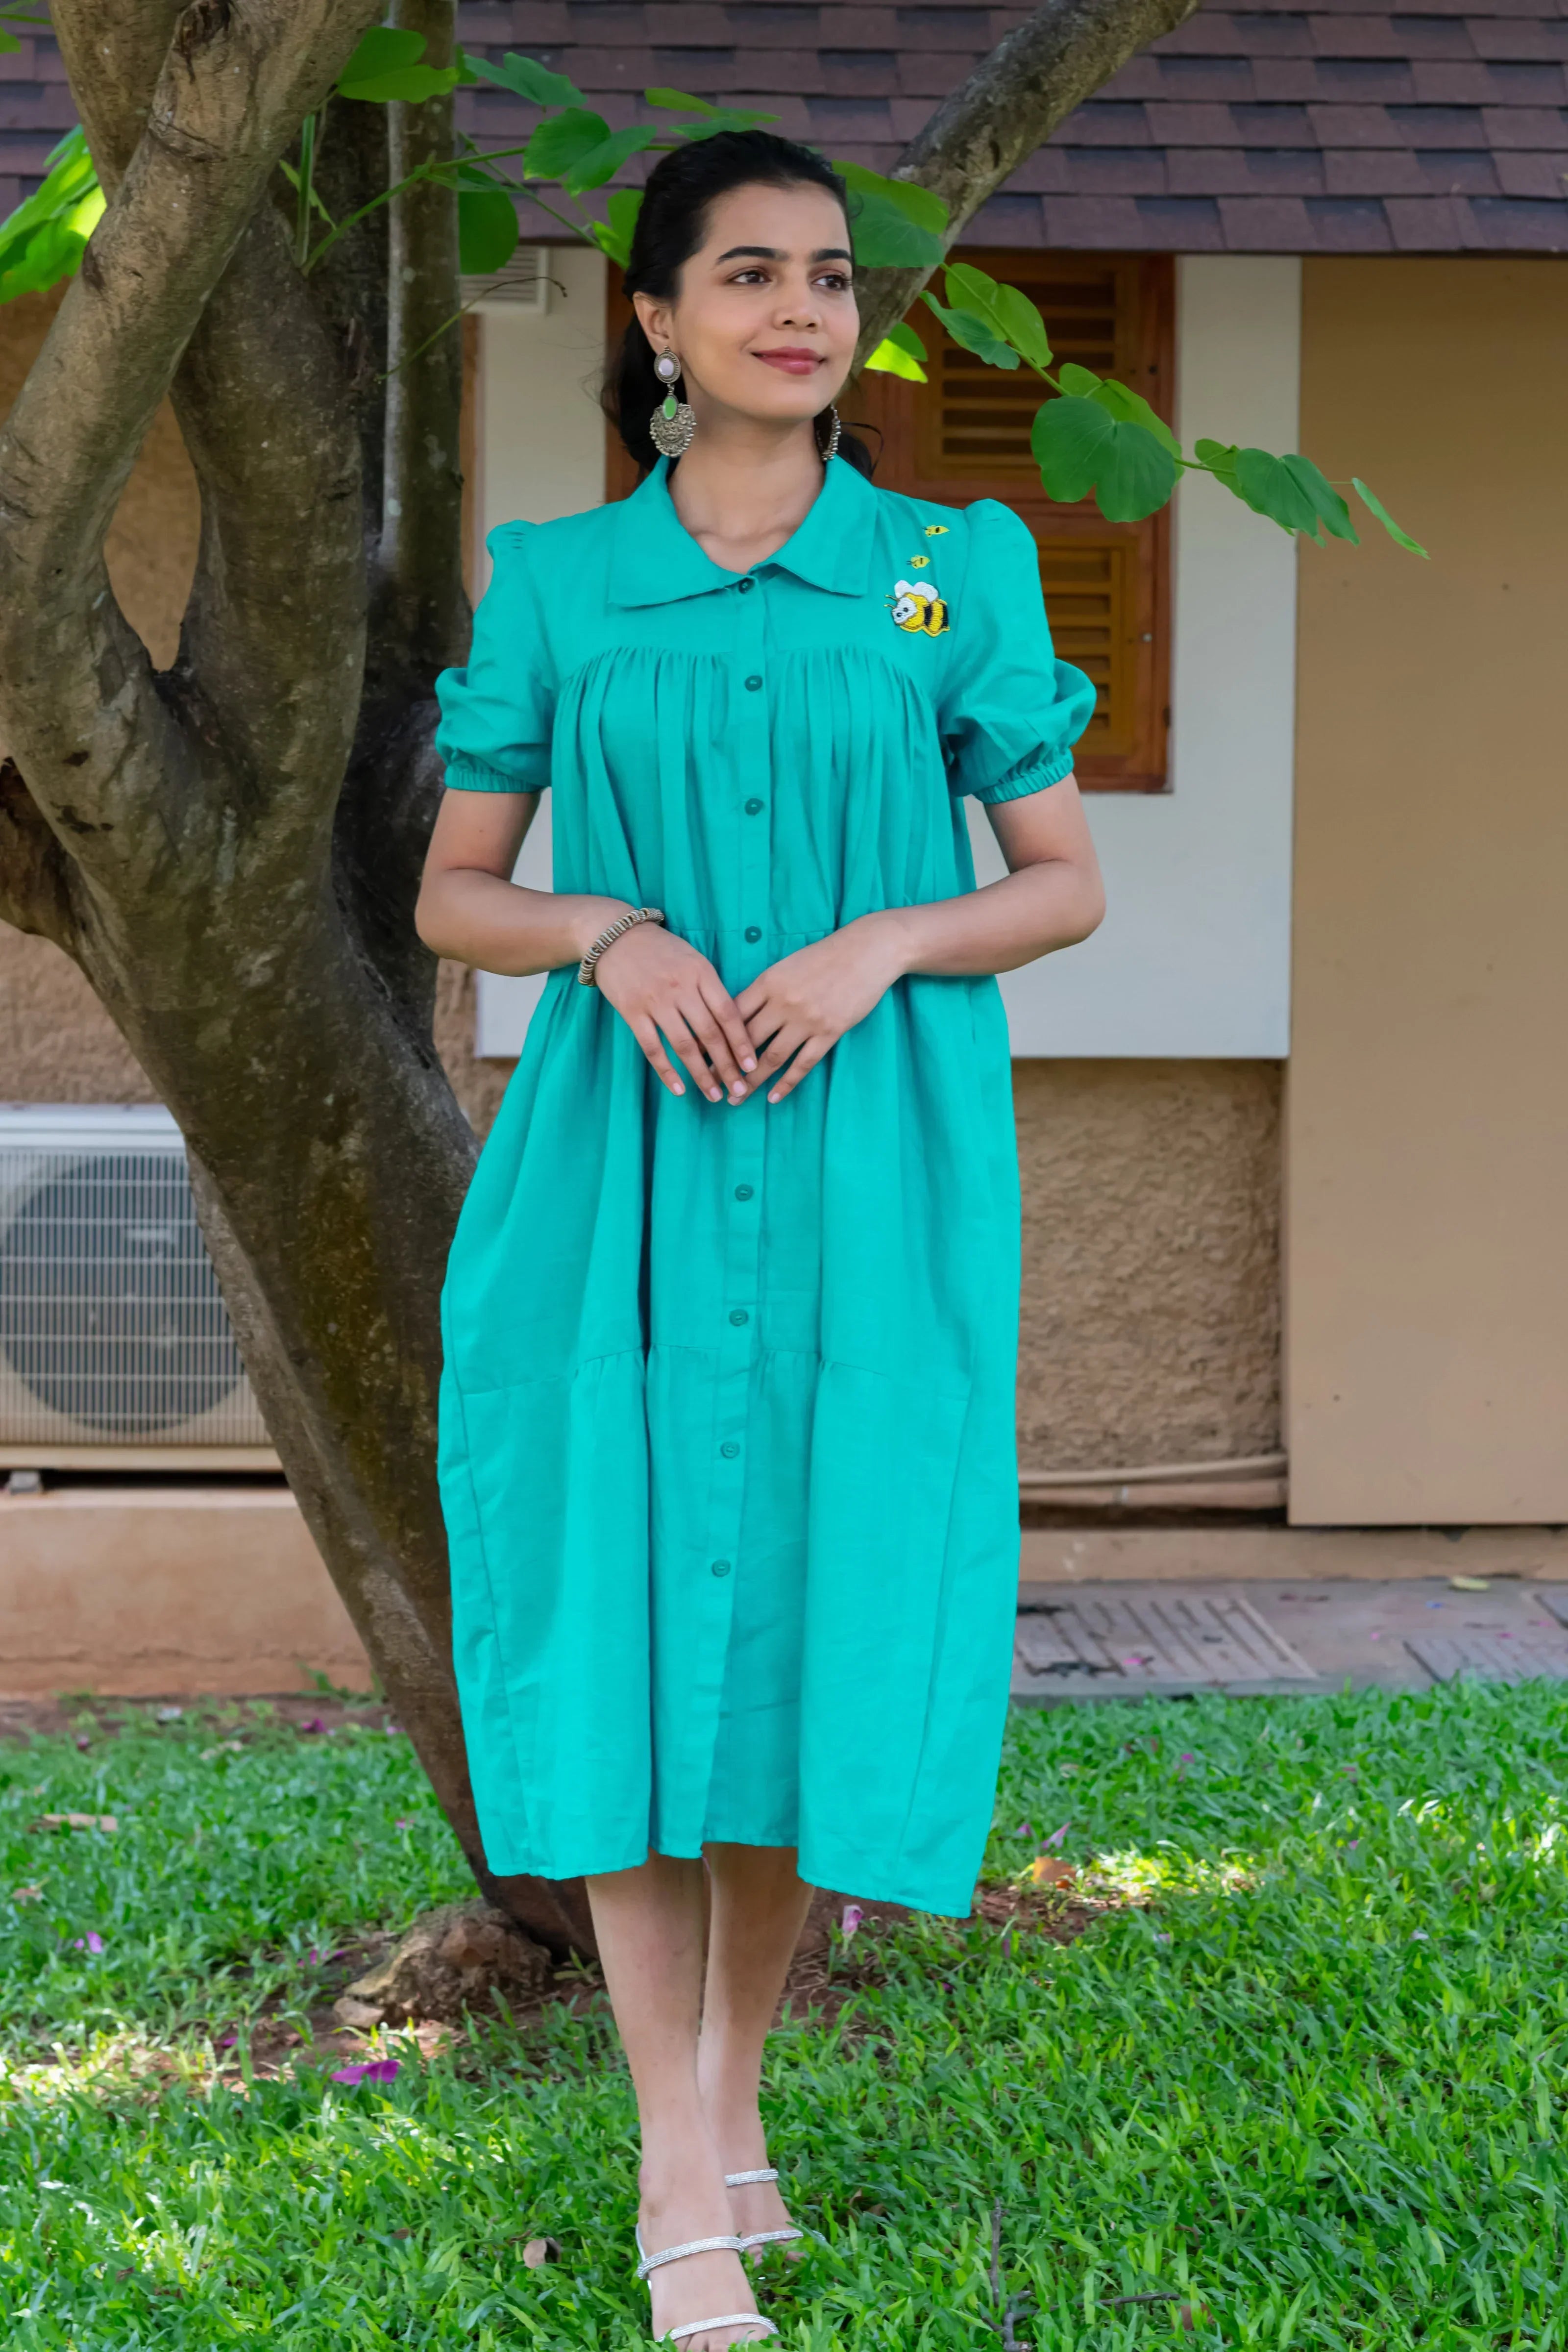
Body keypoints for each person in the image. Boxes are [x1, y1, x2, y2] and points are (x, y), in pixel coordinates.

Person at [415, 127, 1104, 2352]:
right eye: (746, 273)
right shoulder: (557, 581)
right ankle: (668, 2158)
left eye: (828, 276)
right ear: (654, 320)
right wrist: (602, 930)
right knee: (616, 1618)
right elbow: (456, 890)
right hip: (617, 1158)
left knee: (810, 1607)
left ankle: (725, 2101)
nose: (801, 307)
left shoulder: (944, 566)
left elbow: (1059, 879)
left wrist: (884, 939)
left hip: (860, 1152)